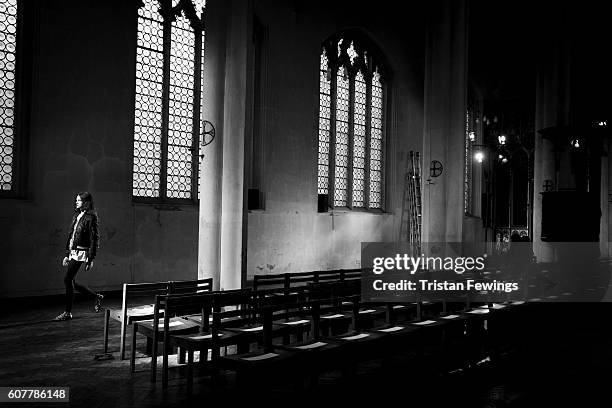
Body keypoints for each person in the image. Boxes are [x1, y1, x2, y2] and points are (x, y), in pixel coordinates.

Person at [54, 192, 103, 321]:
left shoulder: (91, 217)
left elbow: (95, 239)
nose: (76, 202)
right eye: (76, 200)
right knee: (71, 281)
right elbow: (72, 235)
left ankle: (67, 312)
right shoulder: (77, 214)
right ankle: (96, 297)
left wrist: (90, 258)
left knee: (67, 279)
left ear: (86, 202)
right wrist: (67, 254)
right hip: (73, 252)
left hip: (81, 253)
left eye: (79, 200)